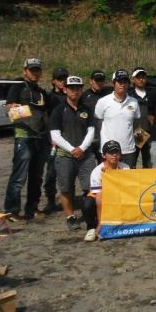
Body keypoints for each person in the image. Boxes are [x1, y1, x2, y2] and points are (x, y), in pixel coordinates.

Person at [4, 58, 52, 223]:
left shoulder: (42, 92)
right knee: (19, 176)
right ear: (25, 71)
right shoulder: (17, 87)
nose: (35, 72)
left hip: (40, 137)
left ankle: (32, 207)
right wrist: (13, 108)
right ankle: (12, 211)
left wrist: (50, 137)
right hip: (24, 137)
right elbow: (8, 109)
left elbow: (46, 116)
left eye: (37, 69)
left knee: (37, 176)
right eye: (32, 70)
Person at [49, 76, 97, 230]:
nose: (74, 91)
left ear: (81, 89)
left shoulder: (87, 110)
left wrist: (82, 148)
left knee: (90, 187)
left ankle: (90, 213)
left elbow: (92, 131)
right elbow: (55, 135)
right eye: (71, 88)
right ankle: (70, 216)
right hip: (65, 156)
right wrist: (72, 149)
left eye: (77, 88)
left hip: (85, 154)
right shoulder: (58, 110)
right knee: (66, 188)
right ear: (65, 90)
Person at [81, 140, 131, 242]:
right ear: (104, 155)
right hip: (101, 197)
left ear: (120, 154)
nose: (114, 155)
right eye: (110, 153)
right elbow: (99, 197)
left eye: (116, 152)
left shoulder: (125, 168)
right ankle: (92, 227)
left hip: (118, 196)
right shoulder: (97, 171)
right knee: (87, 204)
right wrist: (101, 223)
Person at [94, 69, 140, 167]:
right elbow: (98, 123)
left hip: (128, 150)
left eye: (125, 82)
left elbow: (136, 121)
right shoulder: (103, 101)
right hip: (108, 151)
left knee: (128, 180)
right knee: (108, 180)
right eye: (119, 82)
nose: (122, 85)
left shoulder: (134, 102)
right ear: (113, 83)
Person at [43, 66, 69, 212]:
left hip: (71, 138)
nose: (62, 81)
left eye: (64, 78)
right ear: (53, 81)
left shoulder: (72, 95)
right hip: (54, 139)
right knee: (52, 171)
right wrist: (50, 137)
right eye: (59, 79)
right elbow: (45, 118)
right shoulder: (49, 97)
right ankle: (51, 199)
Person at [80, 69, 112, 164]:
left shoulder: (109, 94)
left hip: (104, 134)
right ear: (91, 81)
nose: (99, 83)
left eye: (101, 80)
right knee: (88, 163)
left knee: (104, 163)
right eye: (96, 80)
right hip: (89, 134)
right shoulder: (84, 96)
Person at [128, 67, 153, 168]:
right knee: (132, 163)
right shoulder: (129, 95)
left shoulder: (152, 93)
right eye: (138, 77)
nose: (141, 79)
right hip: (136, 133)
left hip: (150, 132)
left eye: (143, 77)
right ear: (133, 79)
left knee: (149, 163)